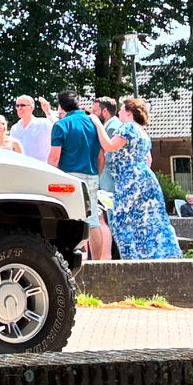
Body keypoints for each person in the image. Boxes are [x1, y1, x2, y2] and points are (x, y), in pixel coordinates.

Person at [98, 97, 183, 259]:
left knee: (122, 220)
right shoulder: (142, 131)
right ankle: (163, 254)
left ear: (129, 113)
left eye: (122, 110)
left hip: (130, 180)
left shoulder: (128, 128)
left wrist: (97, 124)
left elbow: (109, 145)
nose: (120, 114)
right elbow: (148, 160)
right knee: (152, 219)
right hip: (146, 178)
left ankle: (134, 258)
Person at [49, 90, 111, 260]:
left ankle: (68, 260)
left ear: (61, 106)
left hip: (68, 177)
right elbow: (101, 156)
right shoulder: (93, 123)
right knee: (93, 221)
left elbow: (54, 157)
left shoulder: (61, 125)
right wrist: (95, 173)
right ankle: (96, 263)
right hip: (91, 175)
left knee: (66, 218)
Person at [11, 95, 54, 162]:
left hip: (41, 168)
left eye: (22, 105)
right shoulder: (14, 128)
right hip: (21, 167)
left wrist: (48, 112)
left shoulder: (43, 123)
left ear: (32, 107)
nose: (19, 108)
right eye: (17, 106)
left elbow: (58, 129)